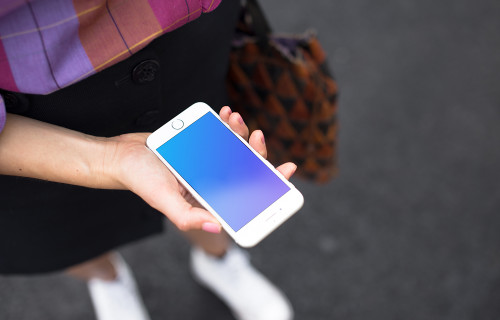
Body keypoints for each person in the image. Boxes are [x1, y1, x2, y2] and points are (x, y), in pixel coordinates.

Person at [0, 1, 297, 319]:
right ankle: (109, 281)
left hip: (178, 29)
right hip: (26, 104)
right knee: (59, 228)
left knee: (210, 187)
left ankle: (219, 259)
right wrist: (110, 159)